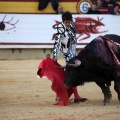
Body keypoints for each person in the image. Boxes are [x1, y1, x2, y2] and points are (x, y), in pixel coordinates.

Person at [52, 11, 87, 103]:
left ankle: (74, 96)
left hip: (73, 51)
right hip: (66, 52)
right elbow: (57, 43)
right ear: (63, 21)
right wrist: (55, 56)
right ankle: (67, 95)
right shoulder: (59, 28)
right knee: (71, 72)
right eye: (66, 22)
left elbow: (74, 40)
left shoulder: (72, 25)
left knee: (73, 72)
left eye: (69, 22)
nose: (67, 24)